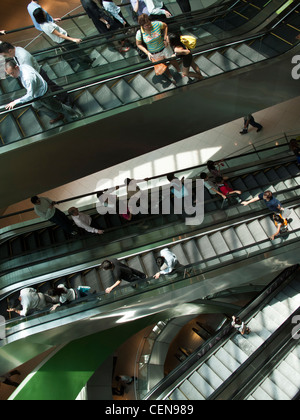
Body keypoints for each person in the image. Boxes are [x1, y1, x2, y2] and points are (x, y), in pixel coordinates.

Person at [4, 61, 80, 124]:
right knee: (36, 105)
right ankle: (57, 116)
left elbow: (30, 95)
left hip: (43, 94)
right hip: (38, 93)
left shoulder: (27, 78)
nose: (11, 76)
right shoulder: (23, 66)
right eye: (9, 74)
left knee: (59, 107)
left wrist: (15, 102)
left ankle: (75, 115)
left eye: (12, 73)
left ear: (16, 67)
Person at [0, 42, 69, 104]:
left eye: (6, 55)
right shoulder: (16, 50)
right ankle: (63, 98)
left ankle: (66, 99)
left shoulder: (23, 57)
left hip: (39, 75)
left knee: (53, 87)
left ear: (10, 50)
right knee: (52, 86)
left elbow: (29, 72)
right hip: (38, 73)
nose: (7, 57)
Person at [136, 14, 181, 85]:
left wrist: (165, 37)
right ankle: (170, 77)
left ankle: (180, 71)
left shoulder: (156, 24)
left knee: (173, 60)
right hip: (154, 53)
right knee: (163, 66)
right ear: (142, 26)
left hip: (164, 48)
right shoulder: (140, 33)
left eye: (149, 23)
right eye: (146, 25)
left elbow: (165, 26)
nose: (149, 26)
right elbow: (139, 44)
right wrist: (147, 52)